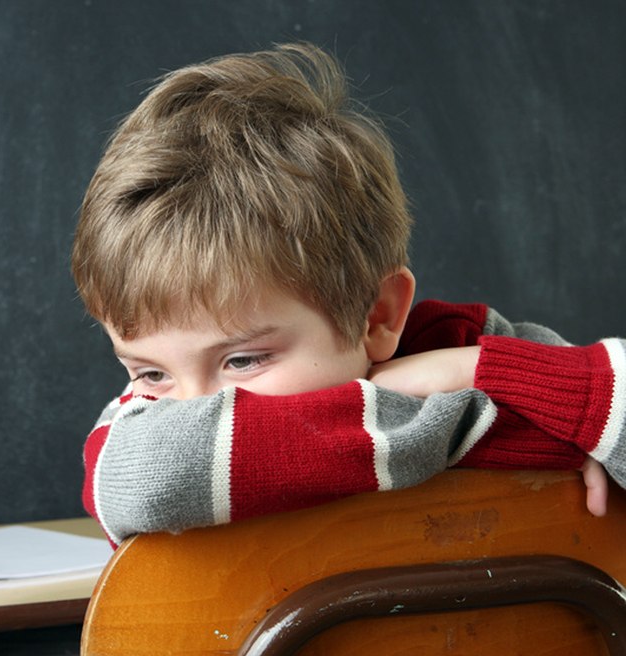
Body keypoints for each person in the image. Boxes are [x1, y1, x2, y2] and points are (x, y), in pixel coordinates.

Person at [71, 42, 626, 547]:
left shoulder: (464, 344)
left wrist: (471, 366)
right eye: (151, 373)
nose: (194, 408)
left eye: (241, 360)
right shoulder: (139, 431)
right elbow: (142, 478)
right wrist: (520, 427)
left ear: (377, 316)